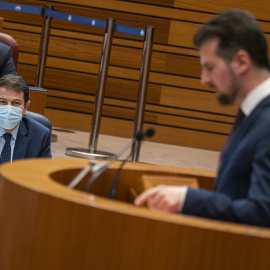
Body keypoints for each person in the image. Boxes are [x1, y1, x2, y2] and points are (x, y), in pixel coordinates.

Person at [135, 10, 270, 227]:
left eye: (209, 67)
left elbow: (263, 214)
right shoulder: (253, 111)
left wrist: (188, 199)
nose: (203, 80)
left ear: (242, 62)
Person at [0, 74, 51, 163]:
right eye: (2, 102)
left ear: (26, 106)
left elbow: (43, 173)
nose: (8, 108)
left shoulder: (40, 136)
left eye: (16, 103)